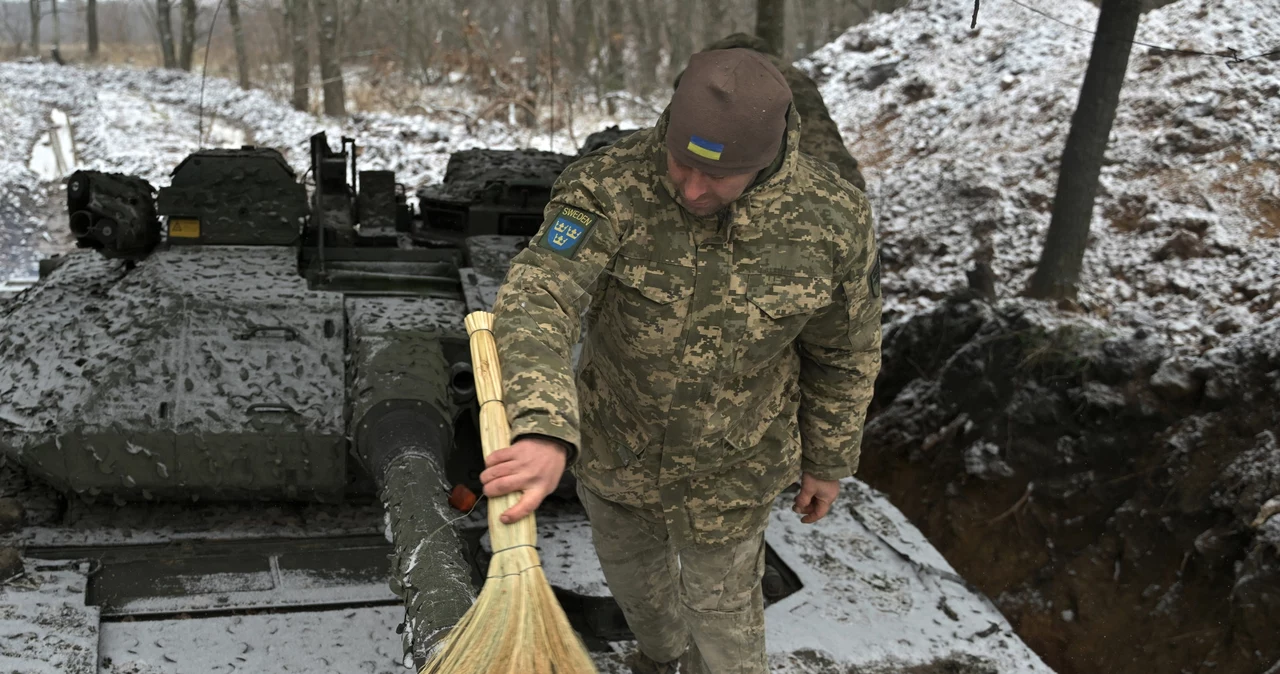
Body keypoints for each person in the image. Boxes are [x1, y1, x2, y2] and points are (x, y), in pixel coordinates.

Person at [482, 48, 882, 674]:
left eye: (718, 177)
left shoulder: (833, 219)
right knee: (642, 599)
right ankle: (660, 660)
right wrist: (542, 425)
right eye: (680, 162)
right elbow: (540, 295)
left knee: (725, 629)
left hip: (734, 471)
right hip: (620, 456)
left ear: (765, 160)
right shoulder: (607, 185)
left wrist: (828, 459)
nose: (692, 188)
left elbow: (845, 351)